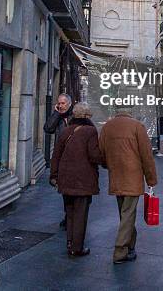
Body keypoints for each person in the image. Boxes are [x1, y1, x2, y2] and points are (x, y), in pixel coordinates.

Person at [99, 108, 157, 264]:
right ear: (130, 112)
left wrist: (107, 165)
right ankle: (120, 251)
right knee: (128, 214)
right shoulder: (138, 126)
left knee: (124, 213)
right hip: (133, 176)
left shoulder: (107, 127)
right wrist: (151, 179)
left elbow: (101, 152)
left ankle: (130, 245)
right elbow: (147, 155)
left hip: (116, 175)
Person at [50, 103, 104, 257]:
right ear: (87, 116)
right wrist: (105, 160)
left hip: (65, 178)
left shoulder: (66, 131)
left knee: (70, 211)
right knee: (81, 213)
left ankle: (70, 242)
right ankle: (77, 247)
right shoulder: (90, 131)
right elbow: (94, 155)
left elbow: (56, 155)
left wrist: (54, 175)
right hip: (83, 179)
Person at [44, 93, 73, 228]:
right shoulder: (58, 117)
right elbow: (48, 128)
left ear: (69, 104)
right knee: (64, 189)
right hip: (62, 158)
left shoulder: (75, 116)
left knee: (74, 188)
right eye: (59, 103)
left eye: (63, 103)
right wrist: (56, 113)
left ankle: (72, 216)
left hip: (74, 157)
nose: (61, 106)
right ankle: (68, 214)